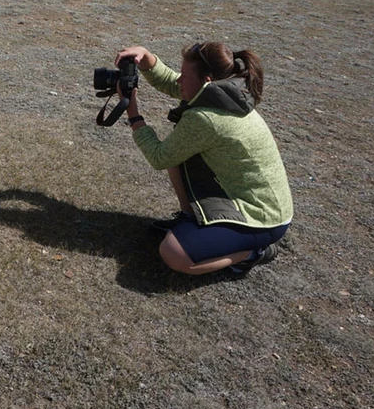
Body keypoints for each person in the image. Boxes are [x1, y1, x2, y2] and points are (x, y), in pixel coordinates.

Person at [115, 42, 293, 277]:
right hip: (260, 201)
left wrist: (133, 114)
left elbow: (159, 157)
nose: (179, 80)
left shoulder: (207, 118)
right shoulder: (227, 93)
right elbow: (173, 82)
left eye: (185, 75)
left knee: (174, 253)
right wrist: (147, 58)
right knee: (178, 151)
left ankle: (255, 252)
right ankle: (189, 217)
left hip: (263, 217)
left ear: (207, 80)